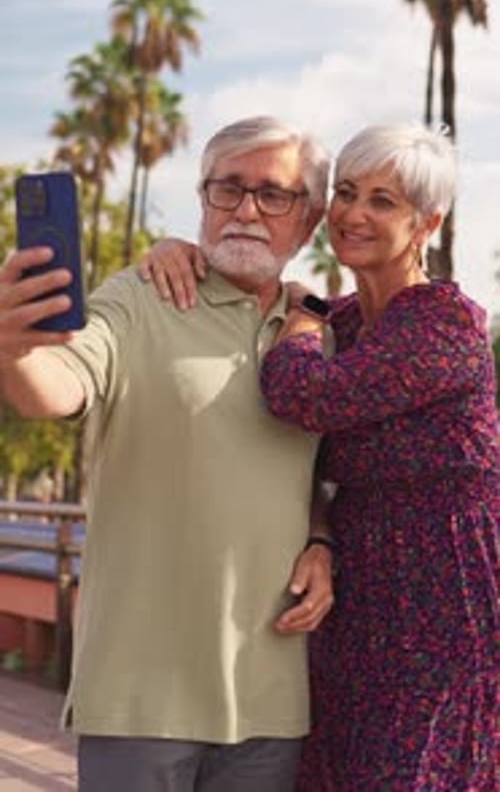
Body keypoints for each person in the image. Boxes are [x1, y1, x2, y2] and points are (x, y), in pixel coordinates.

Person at [142, 122, 499, 791]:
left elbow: (301, 393)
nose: (354, 213)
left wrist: (303, 318)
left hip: (444, 614)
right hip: (354, 609)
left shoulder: (445, 324)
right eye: (347, 192)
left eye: (383, 201)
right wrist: (173, 251)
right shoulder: (345, 322)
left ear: (427, 223)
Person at [0, 115, 336, 792]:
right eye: (227, 188)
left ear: (309, 222)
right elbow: (55, 388)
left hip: (273, 700)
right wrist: (14, 349)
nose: (246, 210)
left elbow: (329, 477)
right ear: (203, 199)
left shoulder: (324, 333)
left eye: (273, 194)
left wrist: (323, 539)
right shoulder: (138, 296)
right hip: (140, 697)